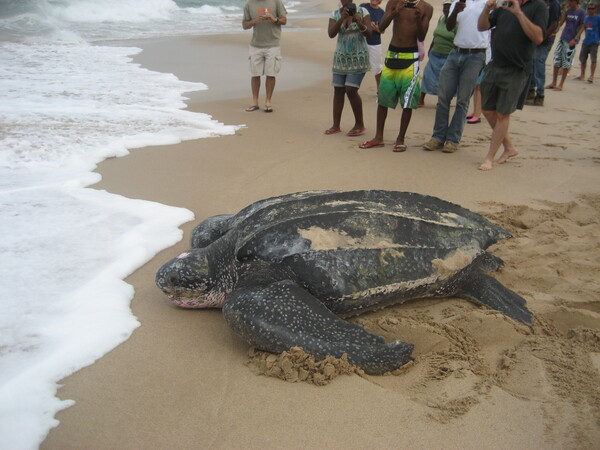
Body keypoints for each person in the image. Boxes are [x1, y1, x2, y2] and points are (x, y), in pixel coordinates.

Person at [477, 0, 548, 171]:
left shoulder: (538, 7)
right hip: (496, 64)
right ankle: (509, 147)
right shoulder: (504, 6)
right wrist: (486, 10)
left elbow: (538, 37)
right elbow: (482, 27)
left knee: (503, 113)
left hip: (517, 68)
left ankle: (489, 158)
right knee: (487, 110)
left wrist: (518, 13)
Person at [359, 0, 433, 152]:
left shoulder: (426, 8)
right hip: (392, 53)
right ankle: (378, 137)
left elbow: (422, 35)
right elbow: (382, 27)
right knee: (383, 98)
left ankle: (400, 138)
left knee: (407, 100)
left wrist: (418, 18)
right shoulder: (394, 2)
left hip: (411, 56)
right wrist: (395, 12)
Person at [422, 0, 490, 154]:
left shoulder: (488, 3)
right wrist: (455, 11)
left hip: (476, 54)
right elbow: (449, 25)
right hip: (455, 51)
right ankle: (438, 137)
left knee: (463, 99)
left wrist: (488, 59)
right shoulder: (459, 2)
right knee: (443, 96)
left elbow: (492, 29)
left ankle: (453, 139)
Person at [325, 0, 372, 136]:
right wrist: (342, 19)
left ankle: (360, 124)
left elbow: (369, 33)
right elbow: (331, 33)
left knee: (351, 89)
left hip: (359, 57)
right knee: (338, 91)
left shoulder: (363, 12)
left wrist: (359, 21)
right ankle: (336, 125)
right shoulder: (335, 14)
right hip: (341, 58)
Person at [242, 0, 287, 112]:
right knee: (255, 74)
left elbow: (284, 20)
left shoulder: (276, 2)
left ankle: (268, 101)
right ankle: (255, 102)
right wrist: (254, 21)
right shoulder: (249, 4)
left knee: (271, 73)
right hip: (256, 44)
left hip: (273, 43)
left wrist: (274, 19)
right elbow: (244, 25)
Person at [419, 0, 457, 107]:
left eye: (449, 8)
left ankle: (443, 101)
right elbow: (436, 35)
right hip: (435, 53)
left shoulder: (457, 22)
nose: (446, 10)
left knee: (444, 80)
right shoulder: (441, 19)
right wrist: (430, 48)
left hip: (448, 55)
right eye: (444, 7)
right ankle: (421, 99)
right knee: (427, 75)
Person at [526, 0, 560, 105]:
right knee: (531, 61)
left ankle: (540, 93)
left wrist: (543, 37)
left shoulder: (553, 4)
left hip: (546, 37)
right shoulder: (539, 3)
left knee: (539, 61)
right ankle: (530, 89)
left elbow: (554, 24)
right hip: (537, 36)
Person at [546, 0, 585, 91]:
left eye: (571, 1)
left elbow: (583, 26)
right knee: (557, 60)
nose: (569, 3)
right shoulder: (568, 11)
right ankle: (554, 82)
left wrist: (575, 38)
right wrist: (555, 31)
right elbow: (561, 22)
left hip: (571, 40)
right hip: (563, 38)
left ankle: (561, 84)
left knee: (566, 62)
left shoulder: (581, 12)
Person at [361, 0, 385, 89]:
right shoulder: (363, 7)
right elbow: (356, 21)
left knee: (377, 67)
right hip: (361, 41)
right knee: (357, 65)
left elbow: (382, 30)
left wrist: (377, 28)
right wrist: (367, 25)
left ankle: (379, 88)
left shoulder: (382, 13)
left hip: (374, 43)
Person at [574, 2, 600, 82]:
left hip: (594, 42)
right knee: (582, 59)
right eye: (589, 9)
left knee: (593, 59)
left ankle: (591, 76)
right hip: (586, 41)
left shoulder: (598, 18)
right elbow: (583, 28)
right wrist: (576, 37)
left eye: (592, 9)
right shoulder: (586, 18)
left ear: (595, 9)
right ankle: (582, 75)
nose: (590, 10)